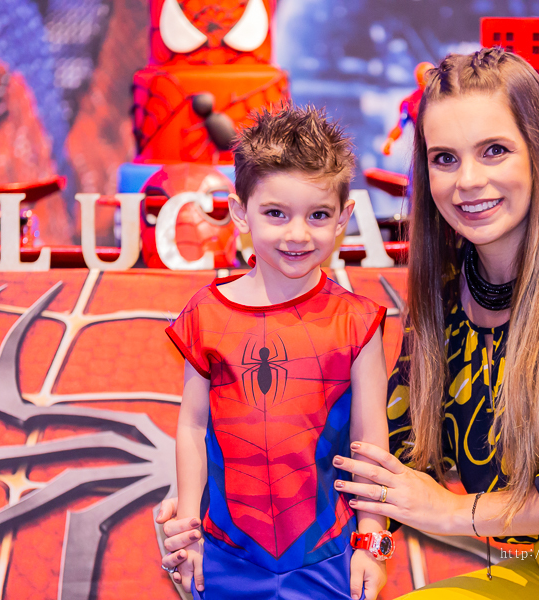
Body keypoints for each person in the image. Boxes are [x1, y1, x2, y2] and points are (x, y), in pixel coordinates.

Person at [160, 49, 539, 599]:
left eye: (493, 150)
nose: (467, 180)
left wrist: (451, 512)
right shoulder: (446, 292)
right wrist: (204, 503)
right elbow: (390, 454)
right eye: (445, 158)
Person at [162, 105, 392, 600]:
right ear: (240, 211)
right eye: (275, 213)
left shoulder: (358, 320)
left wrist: (372, 544)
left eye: (318, 215)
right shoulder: (204, 313)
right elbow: (192, 425)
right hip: (224, 554)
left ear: (344, 218)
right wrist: (186, 525)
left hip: (329, 555)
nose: (297, 234)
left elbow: (371, 443)